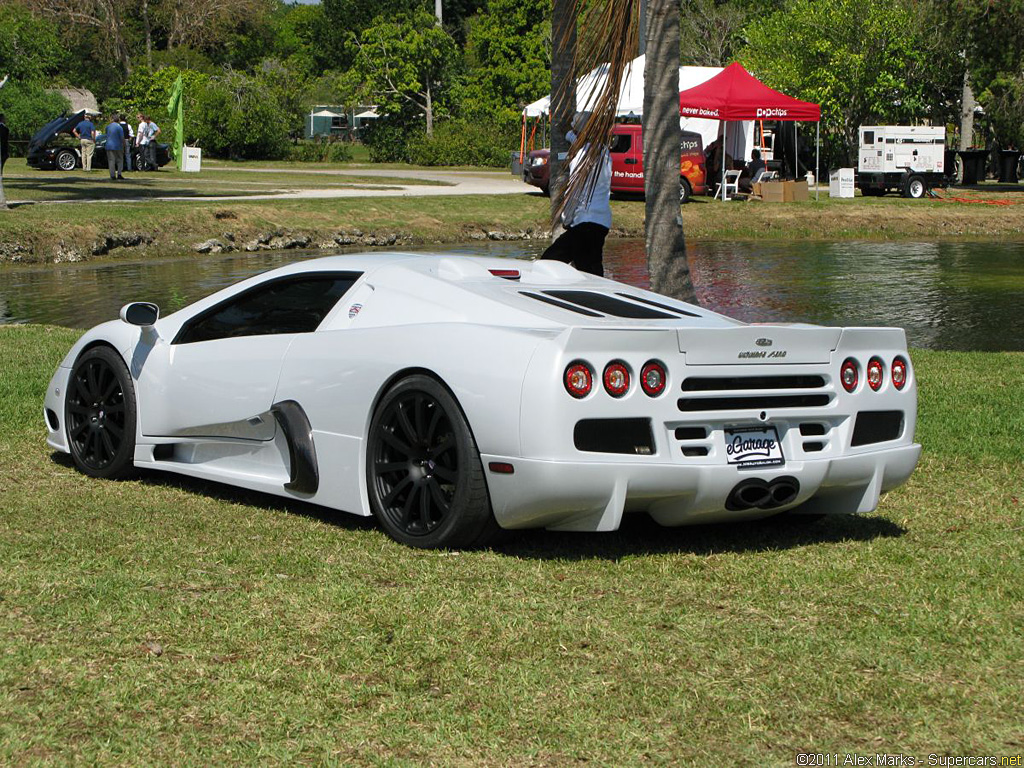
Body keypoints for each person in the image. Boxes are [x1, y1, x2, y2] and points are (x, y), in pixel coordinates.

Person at [541, 119, 612, 277]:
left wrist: (566, 219)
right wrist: (569, 134)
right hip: (602, 222)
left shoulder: (580, 157)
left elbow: (574, 192)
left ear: (581, 133)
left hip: (584, 222)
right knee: (591, 264)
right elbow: (580, 141)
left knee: (549, 261)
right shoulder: (604, 152)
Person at [104, 113, 125, 180]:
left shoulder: (108, 127)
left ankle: (112, 175)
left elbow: (106, 135)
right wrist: (124, 145)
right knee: (120, 160)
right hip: (118, 145)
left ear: (112, 119)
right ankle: (119, 173)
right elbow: (122, 138)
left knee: (111, 160)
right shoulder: (119, 127)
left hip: (109, 145)